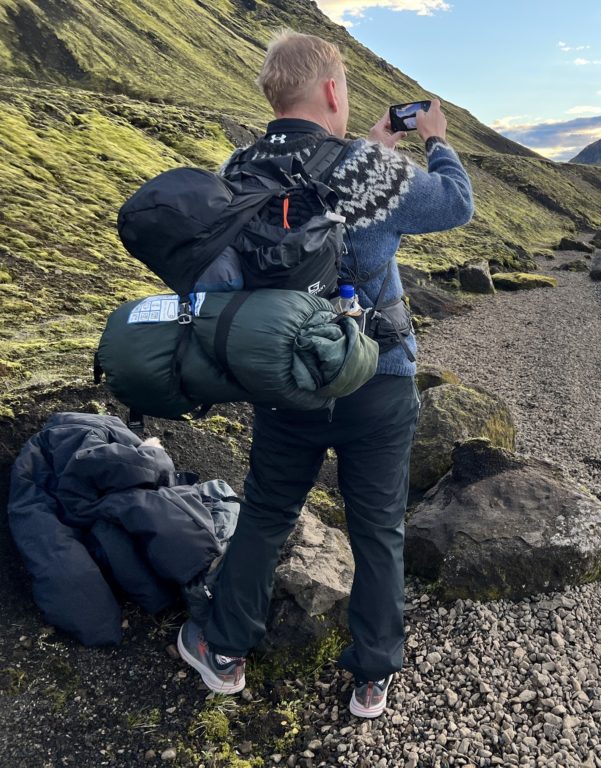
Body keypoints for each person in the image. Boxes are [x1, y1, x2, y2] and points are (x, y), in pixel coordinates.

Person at [175, 29, 474, 719]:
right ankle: (372, 675)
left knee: (268, 512)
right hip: (379, 375)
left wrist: (375, 149)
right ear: (335, 89)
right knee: (377, 527)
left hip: (285, 382)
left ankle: (223, 652)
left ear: (274, 95)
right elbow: (458, 203)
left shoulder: (240, 166)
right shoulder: (367, 168)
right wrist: (434, 139)